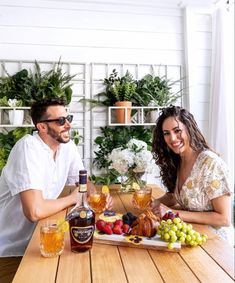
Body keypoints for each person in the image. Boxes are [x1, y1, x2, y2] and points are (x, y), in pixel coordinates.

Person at [0, 98, 112, 282]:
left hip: (41, 242)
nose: (68, 125)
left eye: (68, 118)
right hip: (11, 250)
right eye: (61, 121)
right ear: (42, 127)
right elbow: (34, 211)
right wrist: (73, 199)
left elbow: (82, 181)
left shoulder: (66, 146)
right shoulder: (28, 148)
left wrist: (95, 195)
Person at [151, 106, 232, 241]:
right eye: (166, 133)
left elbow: (224, 218)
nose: (172, 138)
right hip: (190, 235)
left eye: (177, 131)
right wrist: (154, 203)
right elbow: (178, 196)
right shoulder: (178, 159)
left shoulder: (210, 163)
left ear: (189, 128)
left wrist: (173, 213)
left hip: (216, 242)